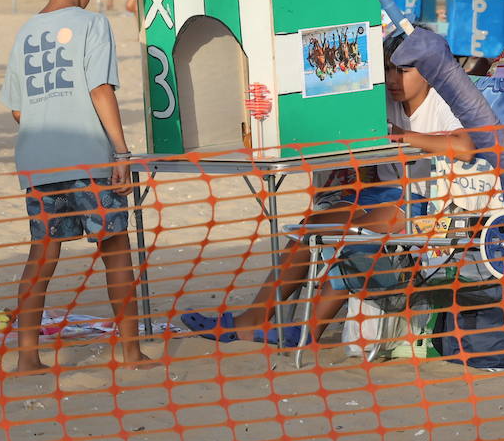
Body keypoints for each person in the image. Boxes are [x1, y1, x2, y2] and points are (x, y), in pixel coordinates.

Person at [181, 29, 477, 346]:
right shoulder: (380, 100)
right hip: (383, 196)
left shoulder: (443, 100)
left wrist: (403, 136)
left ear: (429, 72)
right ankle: (252, 319)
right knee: (306, 230)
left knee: (348, 236)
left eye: (403, 71)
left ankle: (309, 329)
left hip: (429, 207)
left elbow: (466, 147)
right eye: (388, 69)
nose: (393, 79)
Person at [2, 0, 149, 372]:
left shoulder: (25, 33)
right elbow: (100, 88)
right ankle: (129, 351)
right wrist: (121, 151)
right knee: (115, 247)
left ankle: (28, 355)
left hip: (37, 160)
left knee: (42, 253)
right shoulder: (93, 24)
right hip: (88, 155)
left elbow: (17, 111)